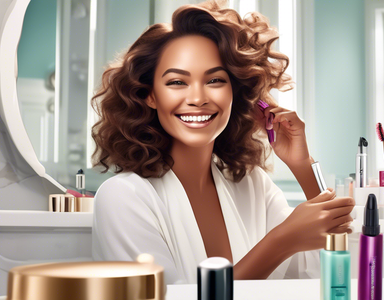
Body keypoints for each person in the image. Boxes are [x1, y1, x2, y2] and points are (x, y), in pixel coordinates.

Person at [90, 0, 354, 284]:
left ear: (235, 93)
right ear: (150, 95)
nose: (198, 98)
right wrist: (280, 243)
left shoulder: (251, 185)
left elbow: (323, 273)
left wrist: (302, 165)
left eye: (215, 80)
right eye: (177, 82)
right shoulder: (123, 197)